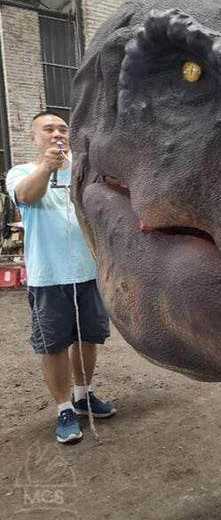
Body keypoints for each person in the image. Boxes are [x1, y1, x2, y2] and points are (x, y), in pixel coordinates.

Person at [6, 112, 116, 444]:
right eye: (49, 129)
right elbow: (27, 196)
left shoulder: (84, 172)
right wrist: (47, 167)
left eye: (63, 129)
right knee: (53, 345)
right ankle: (64, 408)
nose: (58, 134)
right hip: (49, 277)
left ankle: (83, 395)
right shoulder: (20, 172)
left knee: (88, 338)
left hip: (88, 273)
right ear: (33, 138)